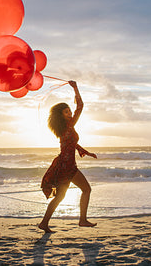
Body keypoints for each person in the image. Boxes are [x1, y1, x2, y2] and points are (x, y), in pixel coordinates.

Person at [39, 80, 97, 233]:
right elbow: (81, 106)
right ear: (61, 115)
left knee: (60, 197)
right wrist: (76, 88)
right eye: (66, 112)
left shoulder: (65, 128)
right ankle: (82, 220)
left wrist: (85, 151)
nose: (70, 113)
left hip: (63, 165)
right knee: (86, 190)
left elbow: (69, 145)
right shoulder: (68, 126)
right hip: (67, 166)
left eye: (69, 111)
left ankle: (44, 223)